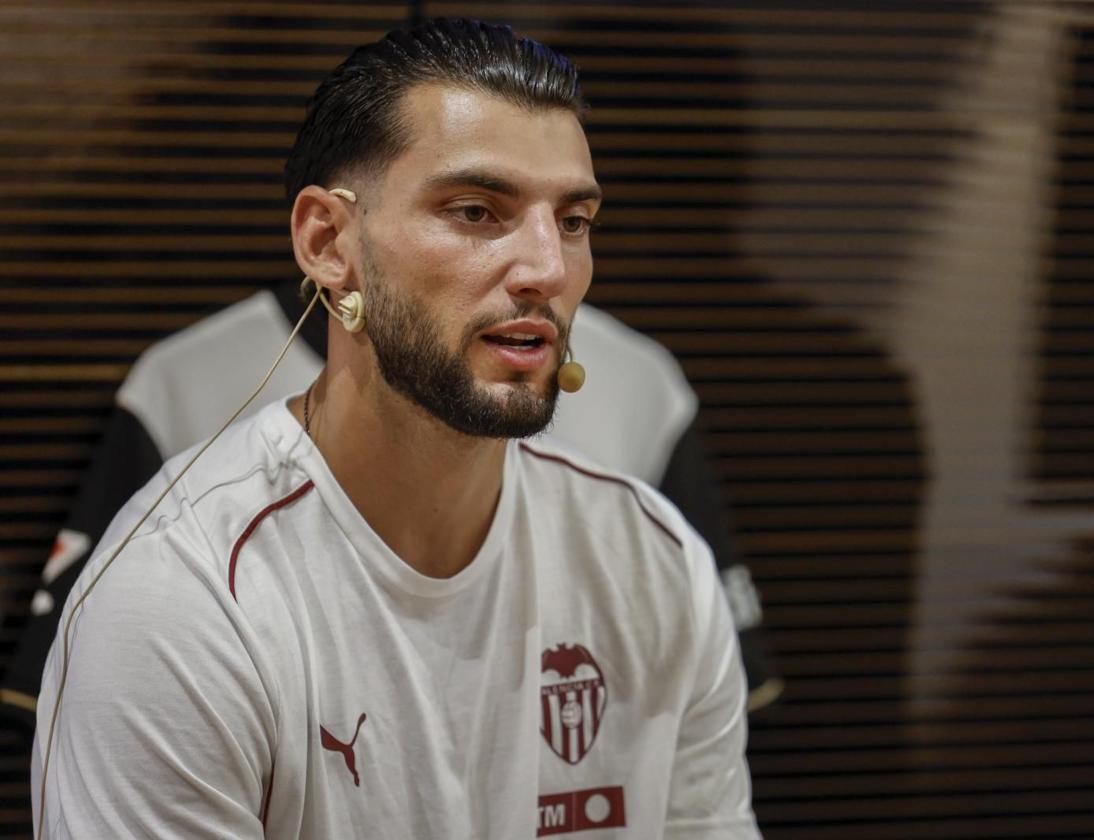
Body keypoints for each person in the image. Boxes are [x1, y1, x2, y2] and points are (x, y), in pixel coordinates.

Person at [32, 18, 759, 839]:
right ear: (328, 241)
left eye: (574, 221)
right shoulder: (179, 594)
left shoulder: (653, 560)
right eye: (478, 210)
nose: (547, 270)